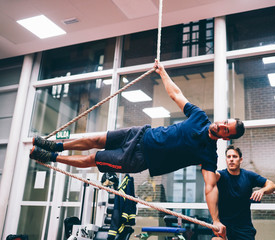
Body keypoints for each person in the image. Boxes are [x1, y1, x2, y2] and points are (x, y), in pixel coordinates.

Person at [29, 59, 245, 238]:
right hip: (140, 133)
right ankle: (56, 144)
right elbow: (176, 94)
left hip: (139, 159)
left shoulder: (208, 154)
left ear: (227, 137)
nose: (222, 125)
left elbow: (210, 187)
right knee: (95, 138)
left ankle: (53, 157)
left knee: (94, 158)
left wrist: (216, 219)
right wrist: (162, 72)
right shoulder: (199, 117)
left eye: (227, 129)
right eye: (225, 122)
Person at [212, 145, 275, 240]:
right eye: (228, 157)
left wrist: (262, 190)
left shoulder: (248, 176)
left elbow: (272, 185)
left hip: (243, 227)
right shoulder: (220, 175)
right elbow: (210, 175)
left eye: (234, 156)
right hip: (223, 225)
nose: (231, 159)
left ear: (240, 160)